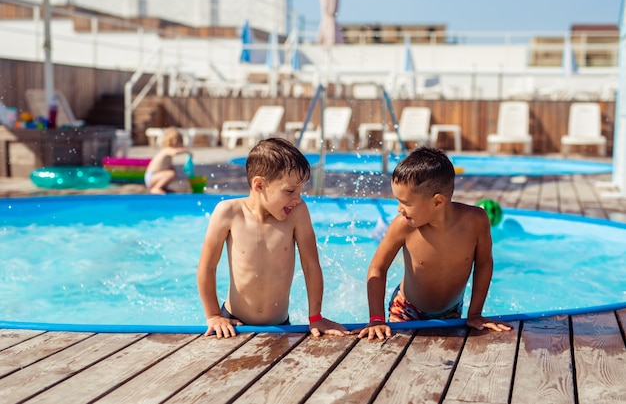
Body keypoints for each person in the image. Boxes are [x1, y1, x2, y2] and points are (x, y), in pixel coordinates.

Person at [197, 137, 349, 338]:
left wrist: (316, 317)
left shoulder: (297, 213)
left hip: (281, 325)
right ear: (259, 185)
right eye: (290, 191)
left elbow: (311, 266)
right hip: (234, 323)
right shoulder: (229, 212)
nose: (298, 198)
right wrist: (214, 315)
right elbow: (207, 267)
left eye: (301, 190)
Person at [358, 147, 512, 340]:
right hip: (406, 310)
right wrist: (376, 318)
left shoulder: (476, 221)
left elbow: (484, 264)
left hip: (451, 310)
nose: (399, 209)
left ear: (438, 202)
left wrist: (475, 313)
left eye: (405, 203)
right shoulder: (403, 226)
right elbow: (377, 268)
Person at [144, 127, 191, 194]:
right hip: (152, 176)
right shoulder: (166, 150)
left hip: (155, 176)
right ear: (174, 143)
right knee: (171, 174)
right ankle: (156, 188)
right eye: (179, 144)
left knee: (173, 172)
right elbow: (175, 152)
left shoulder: (168, 153)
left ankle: (161, 187)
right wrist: (187, 151)